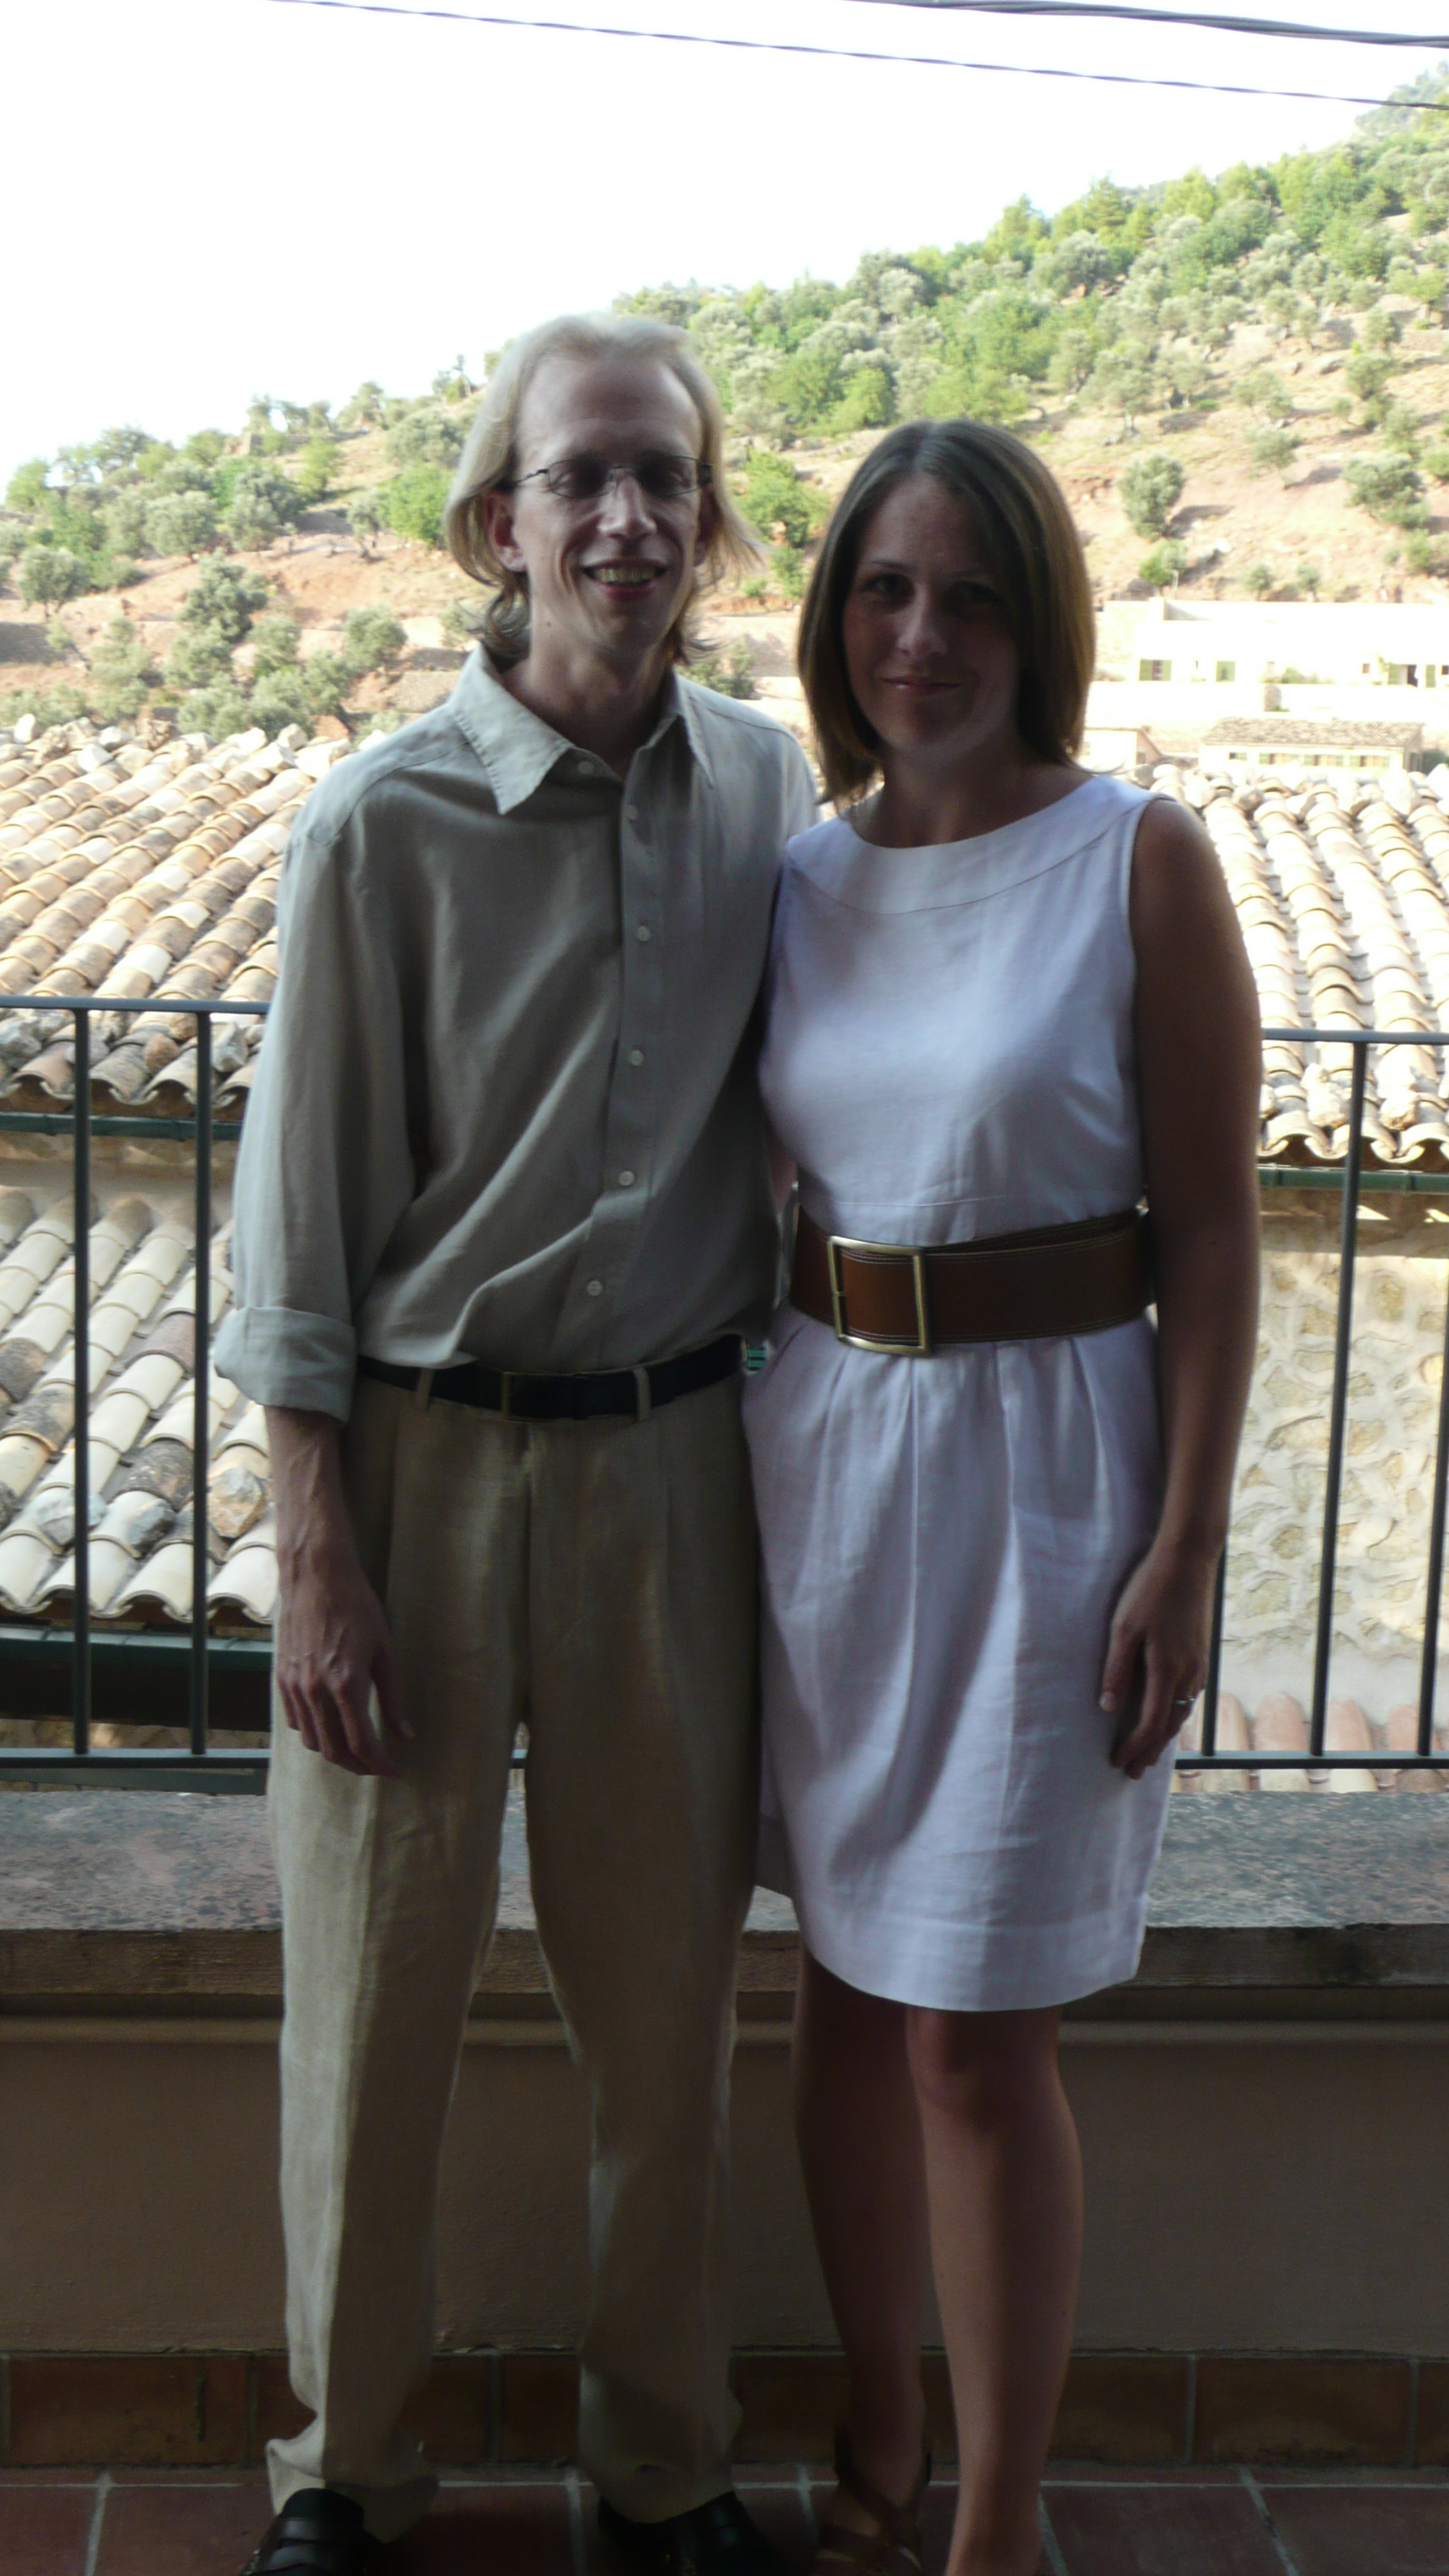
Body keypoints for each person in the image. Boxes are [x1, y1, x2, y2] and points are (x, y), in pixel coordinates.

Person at [216, 311, 817, 2576]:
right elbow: (298, 1225)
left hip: (673, 1471)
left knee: (668, 2022)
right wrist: (319, 1555)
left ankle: (661, 2466)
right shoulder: (380, 824)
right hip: (421, 1474)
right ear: (500, 522)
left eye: (665, 475)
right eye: (582, 476)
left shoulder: (766, 793)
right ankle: (346, 2474)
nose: (627, 516)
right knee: (371, 2009)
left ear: (708, 520)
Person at [741, 421, 1260, 2576]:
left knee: (971, 2026)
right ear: (833, 618)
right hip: (831, 1475)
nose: (922, 635)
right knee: (846, 1994)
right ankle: (876, 2436)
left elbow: (1214, 1238)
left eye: (968, 594)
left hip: (1053, 1486)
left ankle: (996, 2523)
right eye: (884, 589)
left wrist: (1188, 1545)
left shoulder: (1139, 862)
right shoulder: (798, 879)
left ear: (1037, 620)